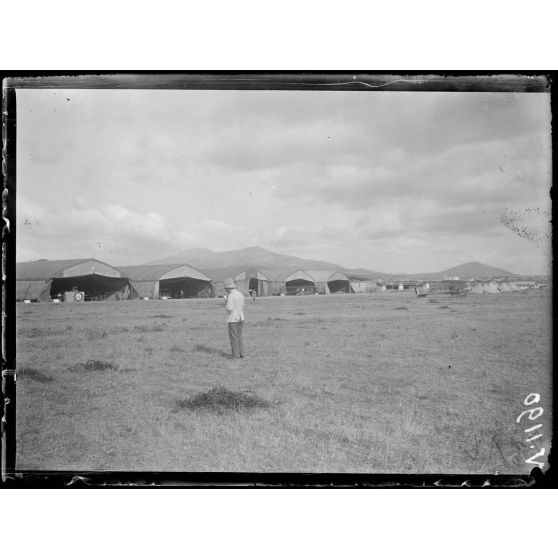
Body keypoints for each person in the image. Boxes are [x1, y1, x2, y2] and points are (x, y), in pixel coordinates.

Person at [223, 278, 245, 358]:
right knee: (239, 336)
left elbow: (229, 308)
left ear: (228, 288)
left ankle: (235, 355)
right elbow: (242, 306)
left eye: (226, 289)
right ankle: (241, 353)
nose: (226, 290)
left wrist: (224, 305)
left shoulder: (231, 296)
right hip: (241, 318)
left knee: (233, 337)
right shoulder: (240, 294)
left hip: (233, 319)